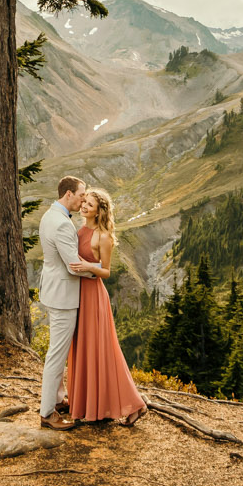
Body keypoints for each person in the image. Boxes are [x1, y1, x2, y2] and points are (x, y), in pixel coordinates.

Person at [62, 187, 147, 426]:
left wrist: (88, 266)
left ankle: (135, 405)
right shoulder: (79, 230)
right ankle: (87, 404)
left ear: (99, 211)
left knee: (103, 350)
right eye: (84, 202)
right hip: (78, 295)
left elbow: (107, 272)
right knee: (82, 347)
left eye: (89, 204)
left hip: (94, 297)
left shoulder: (103, 236)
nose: (84, 206)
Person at [37, 175, 98, 430]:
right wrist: (96, 270)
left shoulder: (50, 215)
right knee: (57, 355)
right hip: (63, 296)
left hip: (53, 291)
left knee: (58, 351)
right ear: (69, 194)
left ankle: (59, 399)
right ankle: (47, 413)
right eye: (82, 194)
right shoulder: (62, 224)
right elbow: (74, 267)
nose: (84, 199)